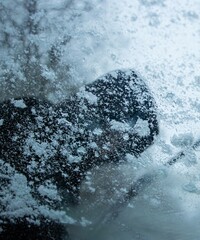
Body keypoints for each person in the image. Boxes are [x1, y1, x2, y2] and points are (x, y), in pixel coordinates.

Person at [0, 70, 159, 240]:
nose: (113, 149)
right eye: (117, 134)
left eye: (124, 143)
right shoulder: (27, 114)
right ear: (97, 115)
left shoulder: (70, 179)